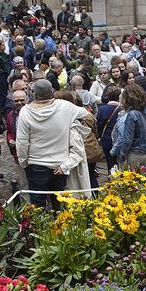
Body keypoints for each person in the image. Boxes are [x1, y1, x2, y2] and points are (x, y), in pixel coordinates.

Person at [13, 79, 87, 209]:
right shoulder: (65, 106)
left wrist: (23, 162)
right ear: (51, 92)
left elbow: (22, 142)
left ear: (34, 94)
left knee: (37, 206)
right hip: (59, 165)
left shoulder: (25, 111)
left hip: (36, 165)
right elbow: (85, 113)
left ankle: (40, 229)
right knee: (60, 205)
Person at [110, 84, 146, 171]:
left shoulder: (131, 114)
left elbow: (127, 139)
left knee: (130, 181)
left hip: (134, 153)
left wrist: (122, 156)